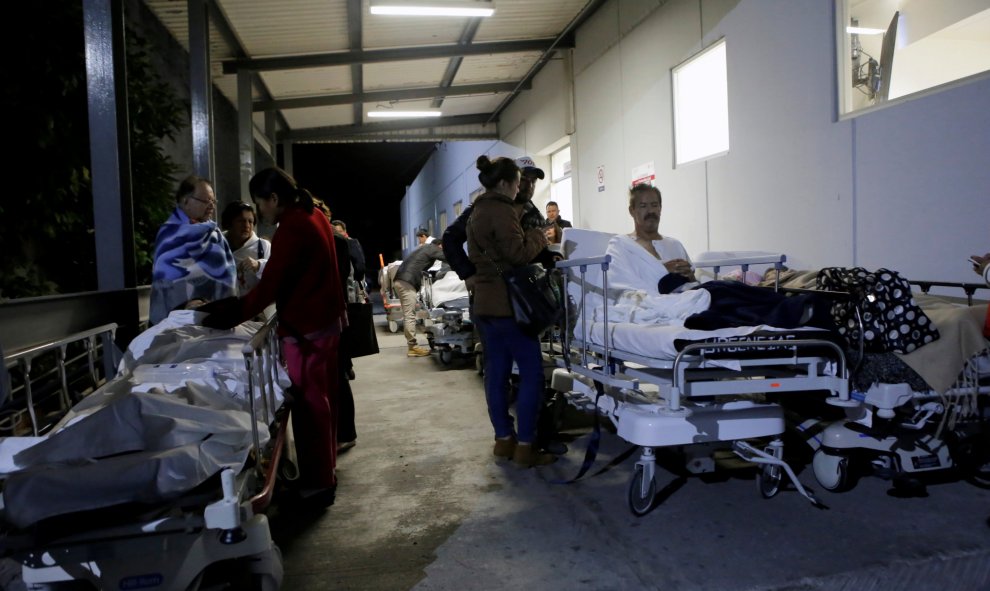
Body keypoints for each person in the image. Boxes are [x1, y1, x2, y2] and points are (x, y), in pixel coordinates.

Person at [199, 167, 345, 506]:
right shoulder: (315, 215)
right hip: (326, 323)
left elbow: (270, 286)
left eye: (260, 204)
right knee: (325, 402)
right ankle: (326, 472)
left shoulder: (293, 227)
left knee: (310, 408)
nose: (259, 212)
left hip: (307, 331)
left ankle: (319, 483)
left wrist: (230, 314)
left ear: (274, 199)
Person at [467, 155, 555, 468]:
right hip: (509, 306)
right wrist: (539, 235)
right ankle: (527, 446)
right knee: (532, 374)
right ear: (506, 182)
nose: (521, 186)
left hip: (485, 305)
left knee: (496, 373)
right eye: (518, 180)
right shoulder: (502, 209)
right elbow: (517, 254)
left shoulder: (477, 209)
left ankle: (504, 440)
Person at [149, 175, 236, 325]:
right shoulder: (169, 235)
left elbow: (227, 275)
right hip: (179, 320)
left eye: (213, 201)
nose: (211, 206)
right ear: (185, 201)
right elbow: (166, 280)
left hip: (218, 317)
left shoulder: (215, 234)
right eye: (205, 201)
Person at [394, 238, 445, 357]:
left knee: (408, 314)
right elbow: (448, 257)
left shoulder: (424, 248)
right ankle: (413, 347)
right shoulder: (433, 248)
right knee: (409, 315)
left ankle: (412, 346)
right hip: (407, 282)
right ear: (440, 245)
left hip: (401, 280)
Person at [221, 201, 271, 294]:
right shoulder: (217, 243)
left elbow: (275, 274)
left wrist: (259, 265)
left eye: (250, 221)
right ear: (229, 222)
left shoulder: (263, 246)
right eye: (241, 221)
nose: (247, 226)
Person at [332, 220, 367, 285]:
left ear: (345, 231)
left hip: (353, 283)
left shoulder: (352, 243)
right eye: (336, 233)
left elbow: (360, 267)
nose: (338, 235)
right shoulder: (332, 246)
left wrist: (358, 279)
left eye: (340, 232)